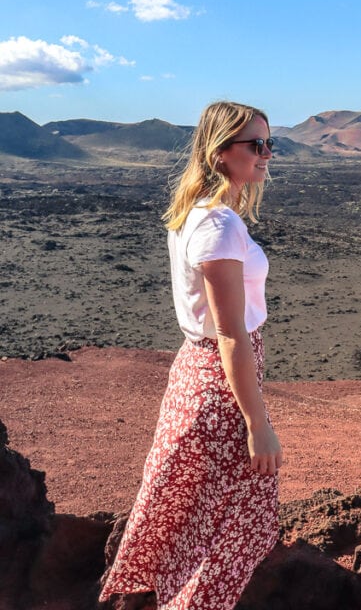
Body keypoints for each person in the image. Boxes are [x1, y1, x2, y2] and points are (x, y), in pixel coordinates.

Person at [100, 99, 283, 610]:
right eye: (256, 144)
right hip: (221, 389)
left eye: (271, 143)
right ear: (221, 152)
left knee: (196, 523)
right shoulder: (219, 226)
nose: (267, 154)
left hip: (195, 377)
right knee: (229, 532)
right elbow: (230, 335)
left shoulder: (196, 212)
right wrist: (257, 423)